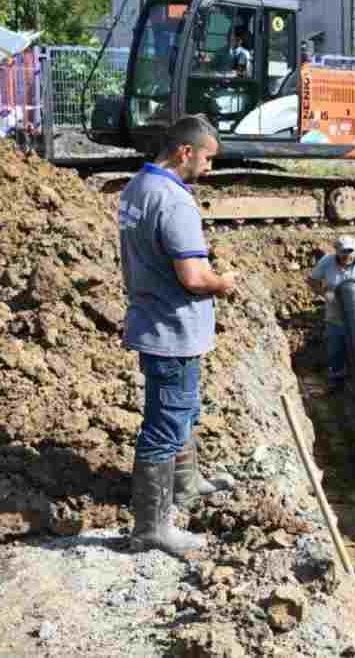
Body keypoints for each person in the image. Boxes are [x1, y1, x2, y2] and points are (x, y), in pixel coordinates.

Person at [118, 115, 238, 557]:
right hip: (173, 329)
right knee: (165, 424)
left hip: (154, 320)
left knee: (182, 410)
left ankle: (186, 484)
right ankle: (151, 528)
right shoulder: (174, 201)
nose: (209, 167)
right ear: (186, 152)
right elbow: (193, 277)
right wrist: (223, 282)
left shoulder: (137, 187)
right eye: (207, 158)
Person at [307, 236, 355, 393]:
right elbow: (312, 280)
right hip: (335, 316)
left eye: (350, 251)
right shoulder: (327, 262)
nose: (346, 254)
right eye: (343, 251)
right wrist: (325, 294)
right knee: (336, 350)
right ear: (336, 250)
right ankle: (337, 381)